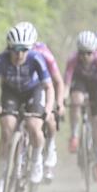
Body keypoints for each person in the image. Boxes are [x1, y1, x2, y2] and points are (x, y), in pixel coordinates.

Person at [0, 22, 55, 192]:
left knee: (34, 126)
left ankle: (36, 161)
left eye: (24, 50)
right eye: (15, 49)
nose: (19, 54)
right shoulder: (0, 60)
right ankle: (2, 178)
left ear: (29, 49)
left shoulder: (36, 58)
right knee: (6, 130)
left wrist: (48, 109)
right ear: (9, 47)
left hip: (33, 91)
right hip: (11, 93)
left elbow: (49, 87)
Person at [64, 31, 97, 183]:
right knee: (76, 99)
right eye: (82, 53)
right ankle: (75, 135)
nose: (85, 57)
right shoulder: (73, 60)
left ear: (95, 51)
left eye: (89, 53)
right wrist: (63, 98)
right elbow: (67, 83)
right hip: (80, 83)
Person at [33, 39, 65, 182]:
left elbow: (58, 82)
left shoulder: (46, 56)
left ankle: (50, 146)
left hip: (46, 86)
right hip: (28, 88)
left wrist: (59, 103)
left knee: (50, 117)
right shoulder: (13, 55)